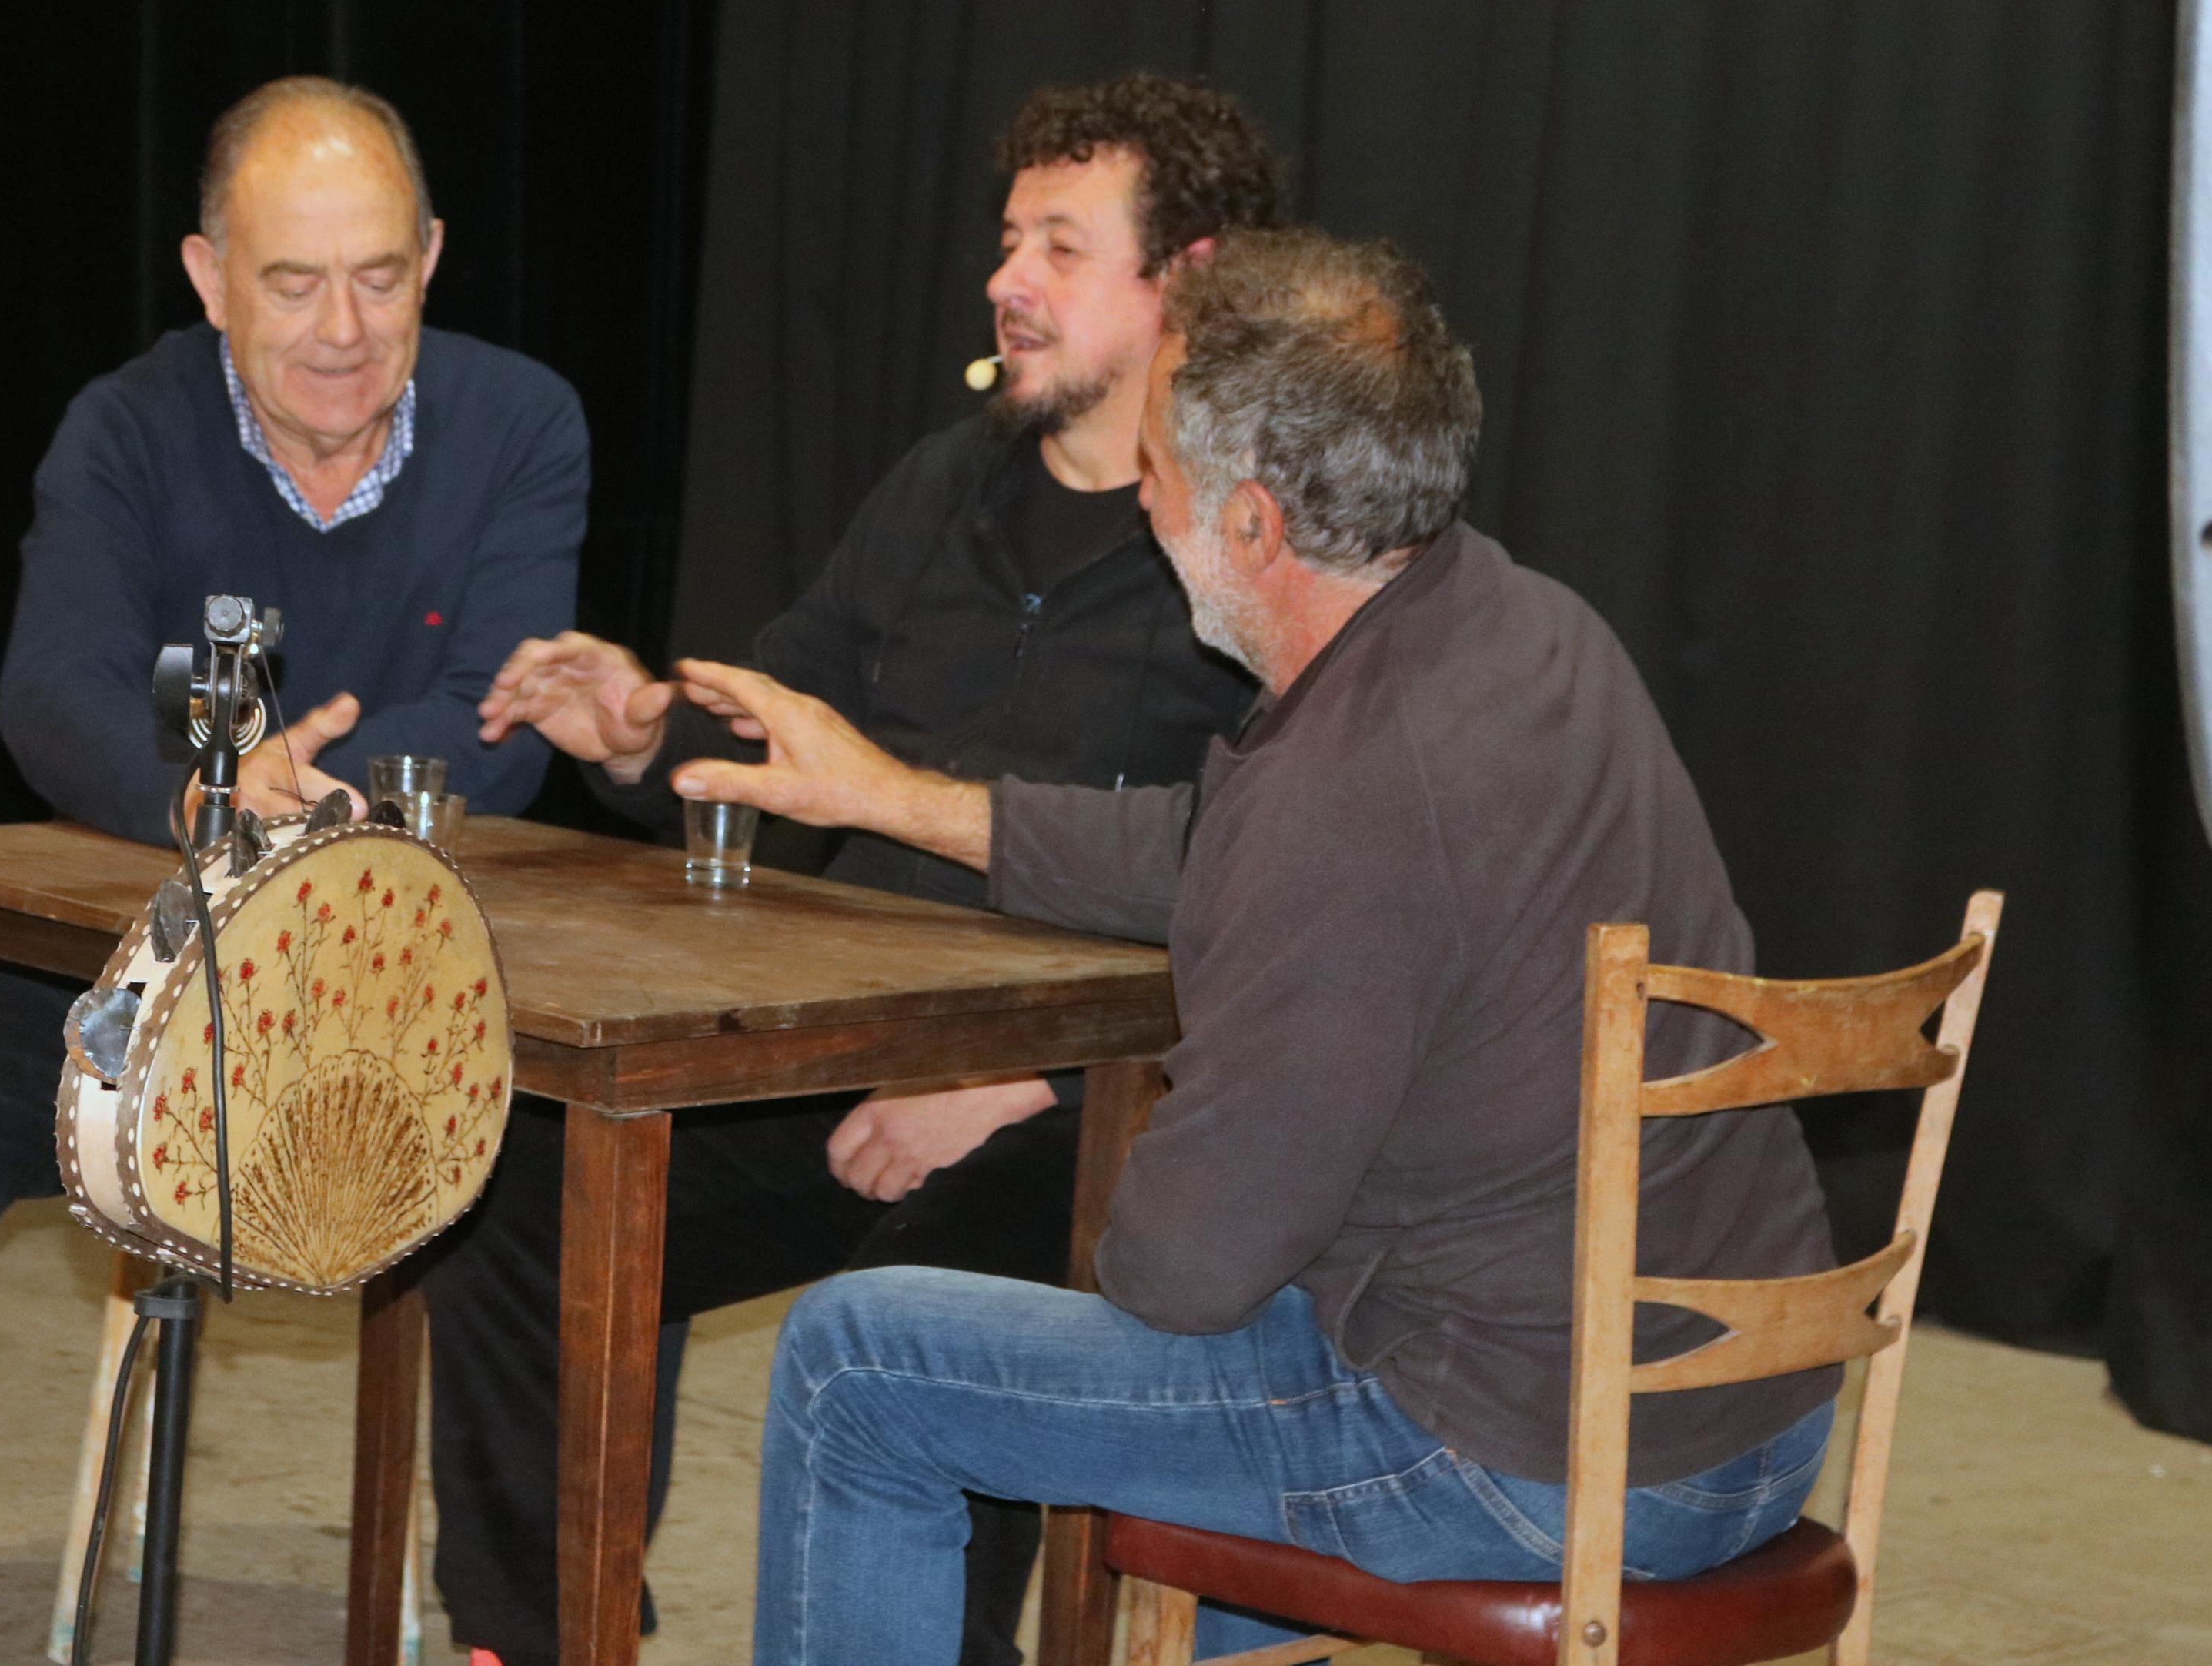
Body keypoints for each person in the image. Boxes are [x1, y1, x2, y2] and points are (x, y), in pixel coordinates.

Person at [670, 229, 1841, 1664]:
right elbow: (1230, 858)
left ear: (1255, 529)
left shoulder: (1343, 794)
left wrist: (1080, 1106)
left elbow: (1177, 1273)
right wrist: (892, 798)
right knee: (1283, 1326)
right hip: (1755, 1421)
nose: (1141, 490)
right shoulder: (1528, 628)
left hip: (1539, 1469)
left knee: (860, 1363)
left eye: (1158, 467)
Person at [429, 75, 1283, 1666]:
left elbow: (1280, 901)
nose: (1006, 280)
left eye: (1060, 246)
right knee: (513, 1196)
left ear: (1194, 281)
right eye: (1007, 237)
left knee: (915, 1329)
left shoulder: (1250, 547)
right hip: (851, 1048)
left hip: (1101, 1106)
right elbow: (780, 720)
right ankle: (532, 1638)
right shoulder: (940, 487)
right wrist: (632, 727)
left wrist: (1021, 1081)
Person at [0, 76, 590, 1656]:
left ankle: (528, 1628)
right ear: (210, 278)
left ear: (432, 259)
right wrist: (215, 800)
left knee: (589, 1169)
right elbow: (50, 694)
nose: (342, 328)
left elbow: (502, 713)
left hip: (409, 972)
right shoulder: (127, 427)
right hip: (160, 958)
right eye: (292, 283)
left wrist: (312, 798)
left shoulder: (522, 421)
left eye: (379, 277)